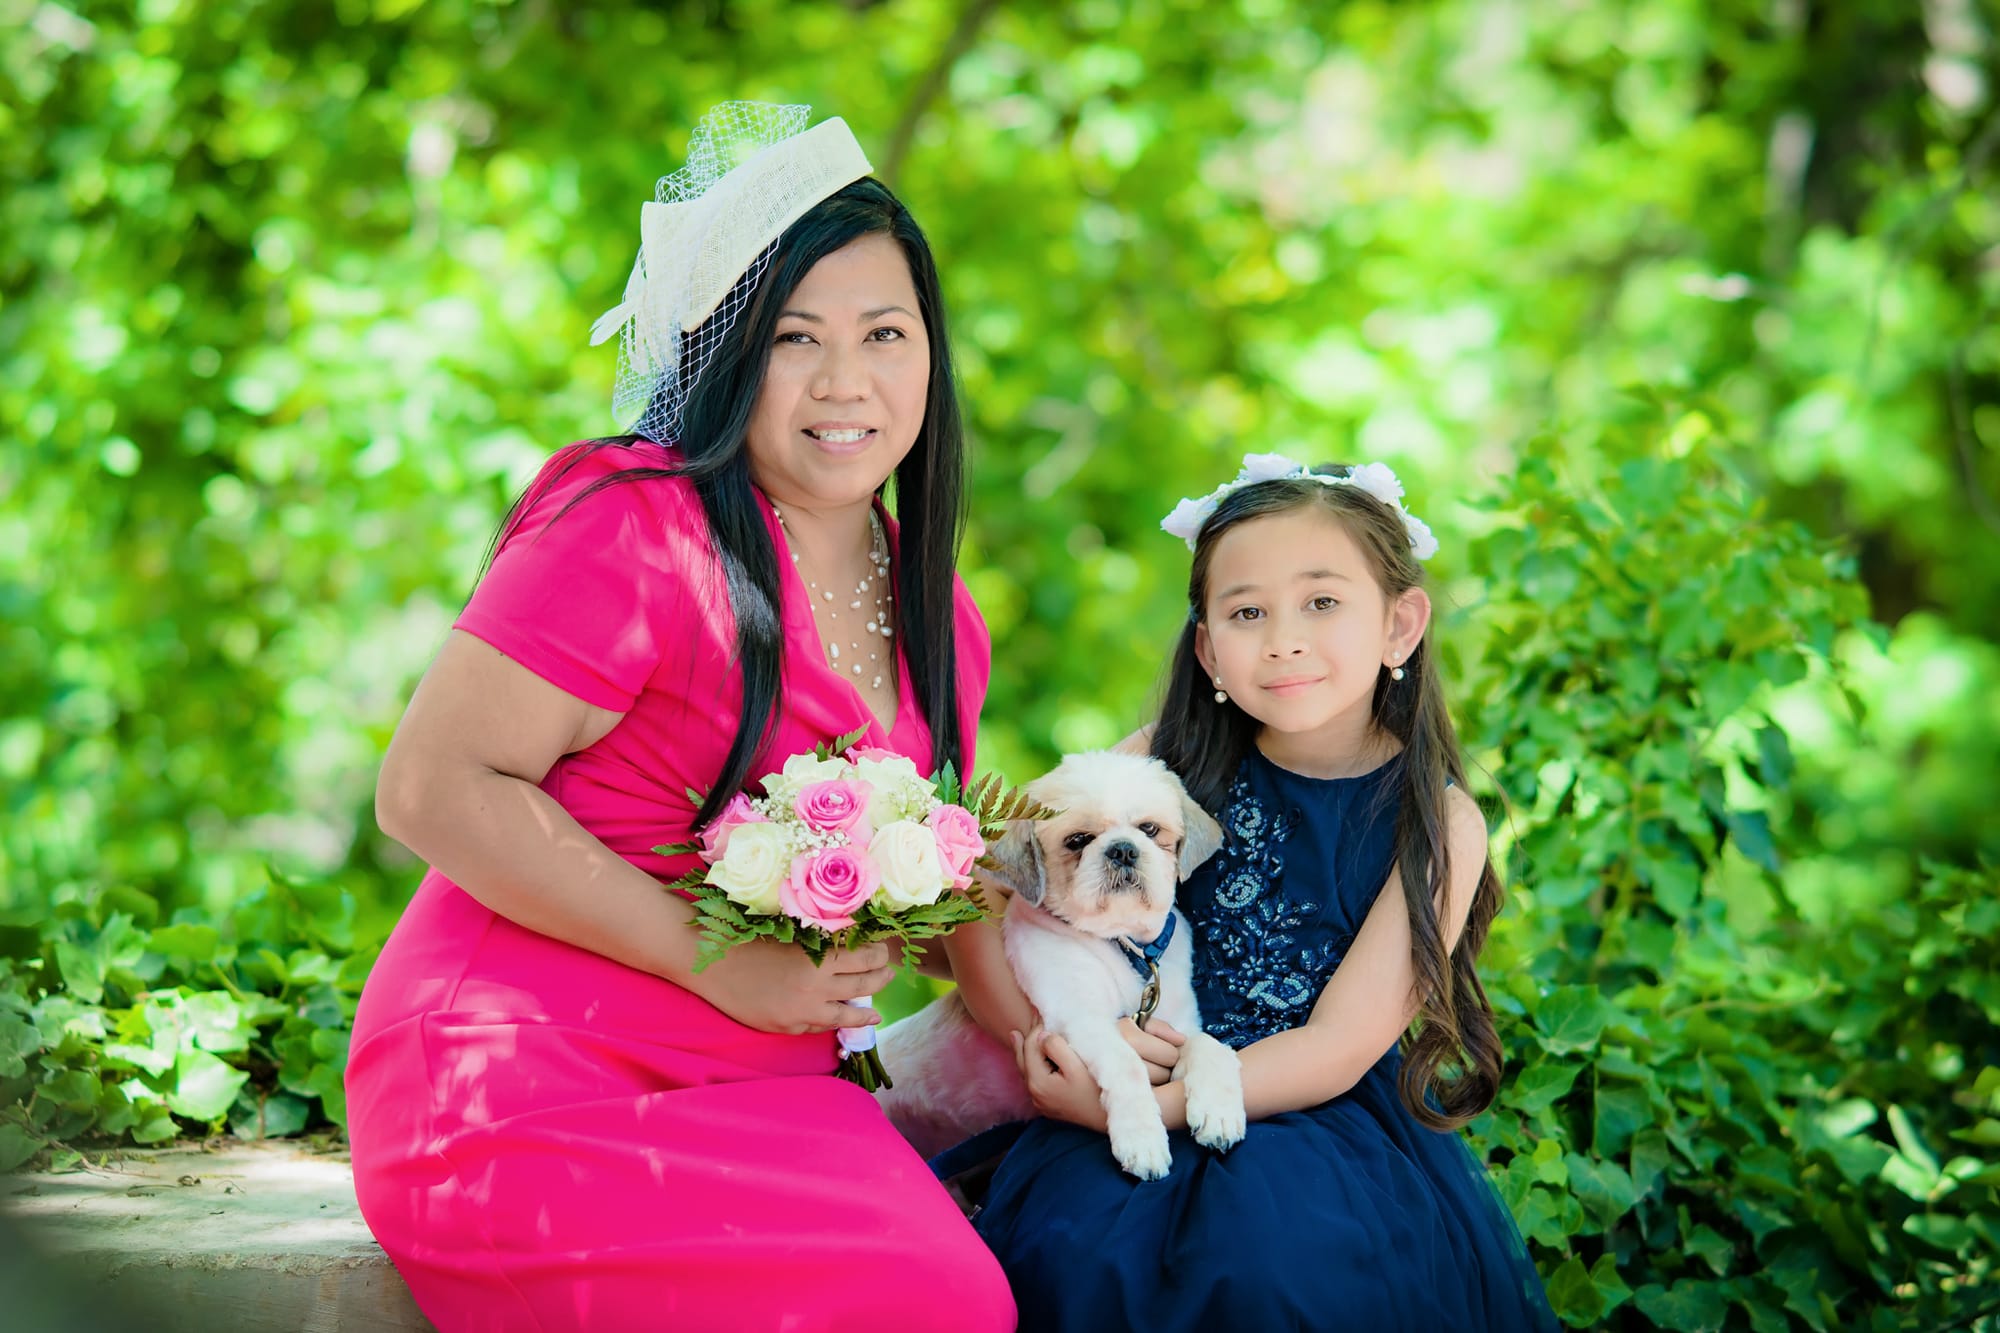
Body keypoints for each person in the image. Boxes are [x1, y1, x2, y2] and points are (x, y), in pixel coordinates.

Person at [344, 103, 1020, 1332]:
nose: (845, 381)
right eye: (793, 339)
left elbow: (919, 910)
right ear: (724, 355)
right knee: (930, 1303)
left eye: (884, 333)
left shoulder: (937, 605)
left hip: (768, 1078)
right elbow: (431, 788)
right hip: (527, 1064)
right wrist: (720, 960)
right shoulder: (634, 521)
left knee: (983, 1287)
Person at [971, 455, 1558, 1331]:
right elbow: (989, 879)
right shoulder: (1160, 763)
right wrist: (1049, 1046)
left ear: (1401, 626)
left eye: (1322, 602)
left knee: (1272, 1271)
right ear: (1207, 644)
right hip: (1121, 1073)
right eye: (1247, 612)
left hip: (1311, 1121)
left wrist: (1143, 1107)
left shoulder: (1437, 820)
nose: (1283, 638)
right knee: (1073, 1251)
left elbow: (1336, 1044)